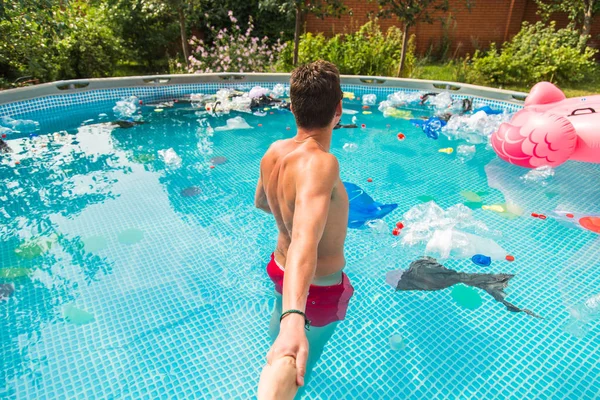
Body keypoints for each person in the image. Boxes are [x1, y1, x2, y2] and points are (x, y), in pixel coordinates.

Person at [255, 60, 354, 399]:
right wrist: (295, 316)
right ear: (338, 108)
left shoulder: (274, 153)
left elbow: (262, 203)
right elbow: (304, 241)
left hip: (279, 268)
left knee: (279, 349)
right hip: (317, 288)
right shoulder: (321, 162)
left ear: (292, 107)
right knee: (297, 369)